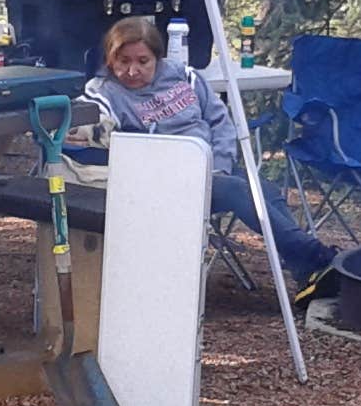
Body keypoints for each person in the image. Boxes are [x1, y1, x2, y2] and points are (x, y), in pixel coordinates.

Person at [83, 16, 337, 295]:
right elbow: (90, 115)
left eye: (143, 61)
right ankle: (315, 255)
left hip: (212, 168)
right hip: (164, 181)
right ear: (110, 60)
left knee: (266, 190)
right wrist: (82, 127)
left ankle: (306, 271)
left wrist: (221, 165)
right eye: (123, 62)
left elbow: (219, 121)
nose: (133, 71)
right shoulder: (105, 92)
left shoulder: (183, 76)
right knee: (237, 190)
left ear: (158, 58)